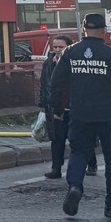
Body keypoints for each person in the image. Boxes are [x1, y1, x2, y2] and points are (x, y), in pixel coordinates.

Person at [49, 13, 111, 218]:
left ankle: (75, 187)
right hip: (109, 116)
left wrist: (57, 110)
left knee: (78, 153)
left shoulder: (70, 53)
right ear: (104, 31)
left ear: (83, 29)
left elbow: (56, 84)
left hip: (80, 115)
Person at [37, 34, 96, 178]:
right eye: (55, 46)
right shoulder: (49, 63)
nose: (57, 49)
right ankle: (56, 169)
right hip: (57, 108)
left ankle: (91, 163)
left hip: (76, 108)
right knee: (57, 140)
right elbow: (44, 84)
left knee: (80, 139)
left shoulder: (77, 62)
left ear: (68, 47)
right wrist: (44, 104)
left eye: (60, 47)